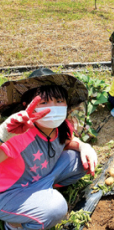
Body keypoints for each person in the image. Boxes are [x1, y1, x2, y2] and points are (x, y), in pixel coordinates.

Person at [0, 68, 98, 230]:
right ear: (27, 106)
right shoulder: (19, 134)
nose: (52, 108)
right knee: (56, 208)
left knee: (80, 160)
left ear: (67, 104)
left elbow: (67, 141)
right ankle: (14, 224)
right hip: (9, 193)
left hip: (39, 178)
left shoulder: (62, 126)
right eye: (43, 102)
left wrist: (83, 145)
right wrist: (3, 134)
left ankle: (41, 196)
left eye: (59, 101)